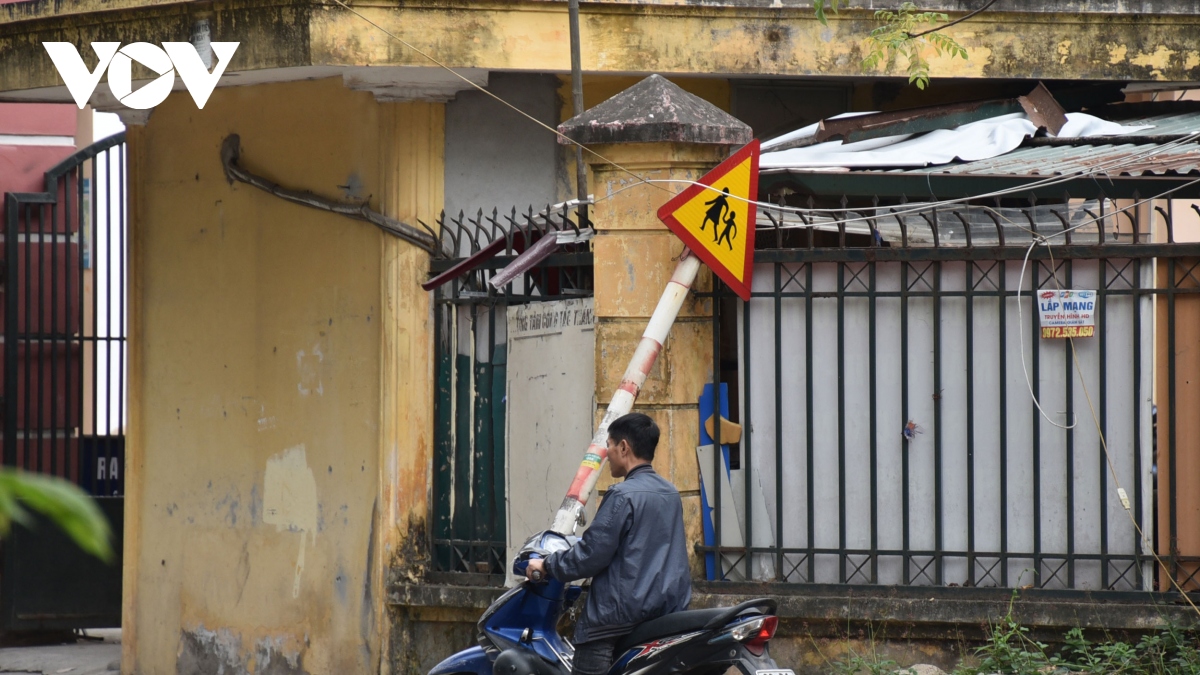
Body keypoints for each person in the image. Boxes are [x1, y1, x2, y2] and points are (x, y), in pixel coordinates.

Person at [524, 413, 692, 675]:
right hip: (664, 614)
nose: (607, 454)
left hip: (616, 620)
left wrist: (547, 565)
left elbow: (591, 555)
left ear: (624, 447)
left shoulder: (622, 495)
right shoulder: (670, 492)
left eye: (609, 445)